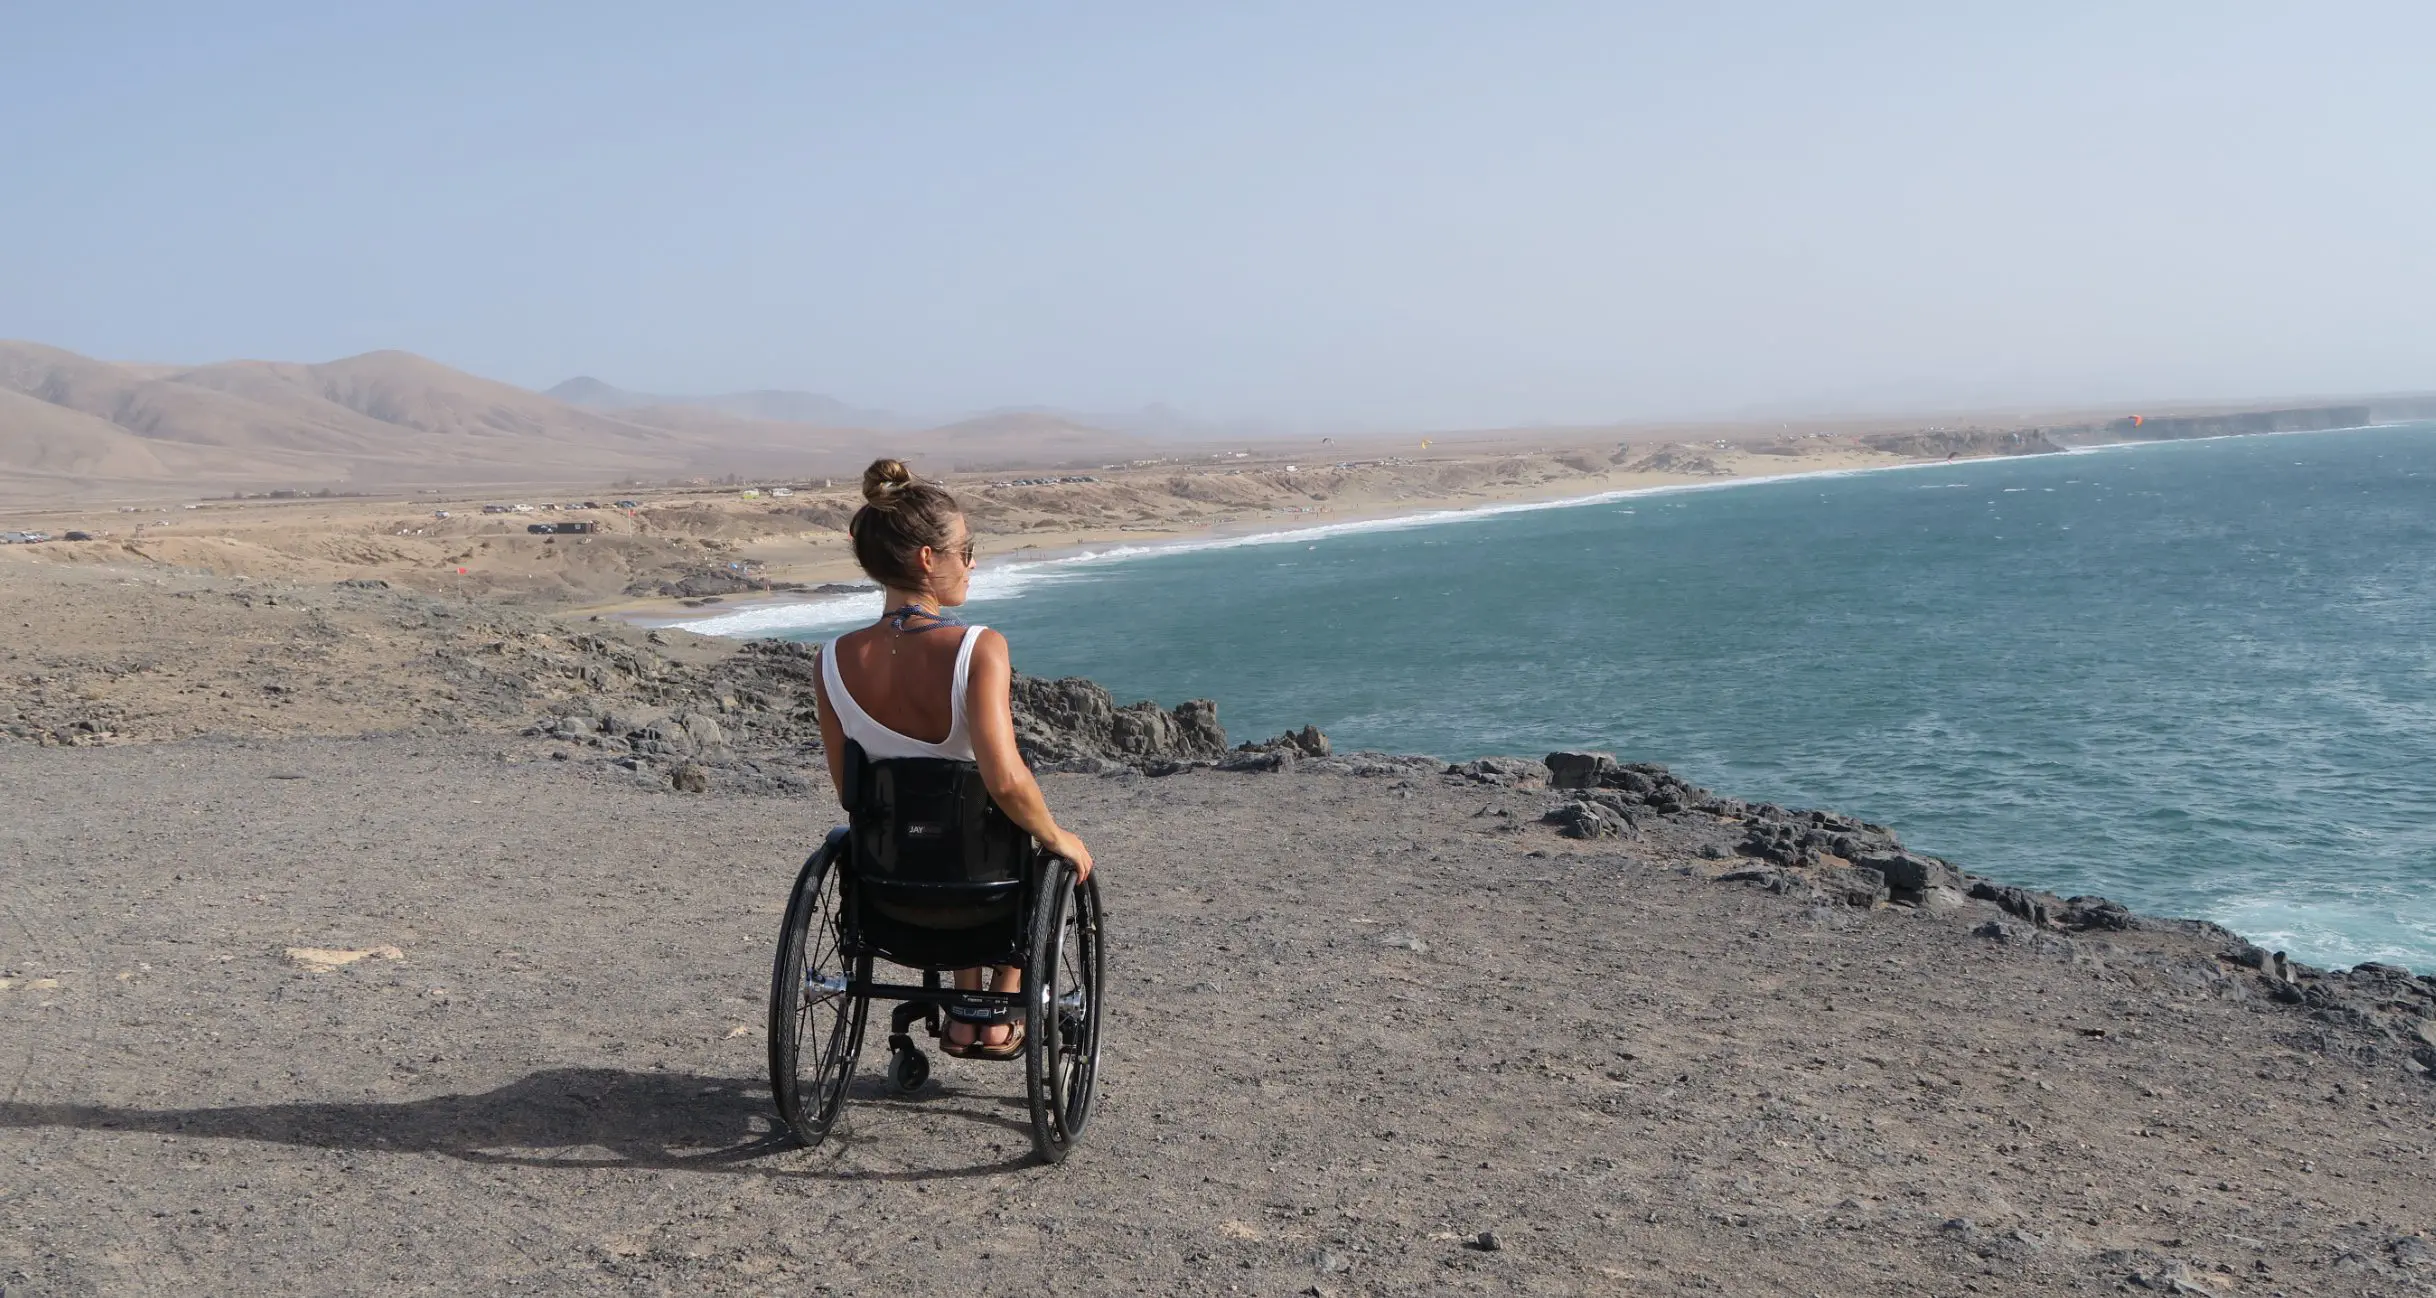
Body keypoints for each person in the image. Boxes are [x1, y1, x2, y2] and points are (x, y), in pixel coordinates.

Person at [811, 458, 1094, 1059]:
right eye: (967, 550)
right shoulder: (977, 649)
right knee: (1022, 833)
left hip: (889, 894)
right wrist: (1058, 836)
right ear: (925, 560)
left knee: (951, 819)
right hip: (985, 896)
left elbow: (851, 792)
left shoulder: (831, 661)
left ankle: (966, 1016)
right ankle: (991, 1019)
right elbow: (1008, 780)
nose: (972, 562)